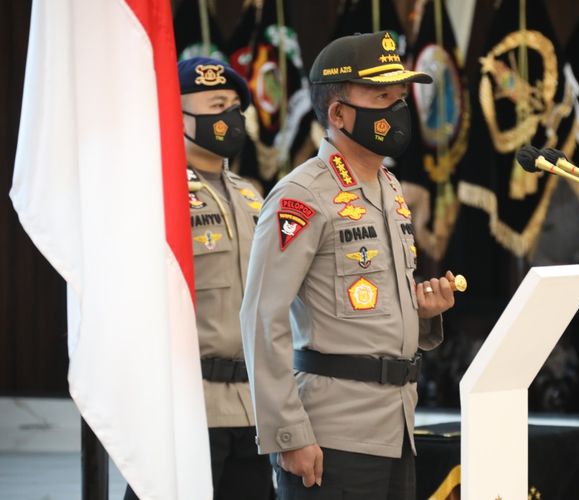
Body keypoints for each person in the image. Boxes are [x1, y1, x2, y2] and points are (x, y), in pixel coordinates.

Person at [240, 32, 456, 499]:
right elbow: (262, 316)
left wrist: (422, 313)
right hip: (331, 436)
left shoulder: (390, 188)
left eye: (400, 97)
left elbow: (370, 308)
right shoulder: (302, 195)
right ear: (338, 114)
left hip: (396, 427)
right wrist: (288, 433)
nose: (398, 109)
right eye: (382, 97)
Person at [125, 57, 272, 499]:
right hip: (187, 407)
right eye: (216, 105)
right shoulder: (155, 192)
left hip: (253, 407)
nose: (230, 117)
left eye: (234, 107)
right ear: (178, 116)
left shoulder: (252, 194)